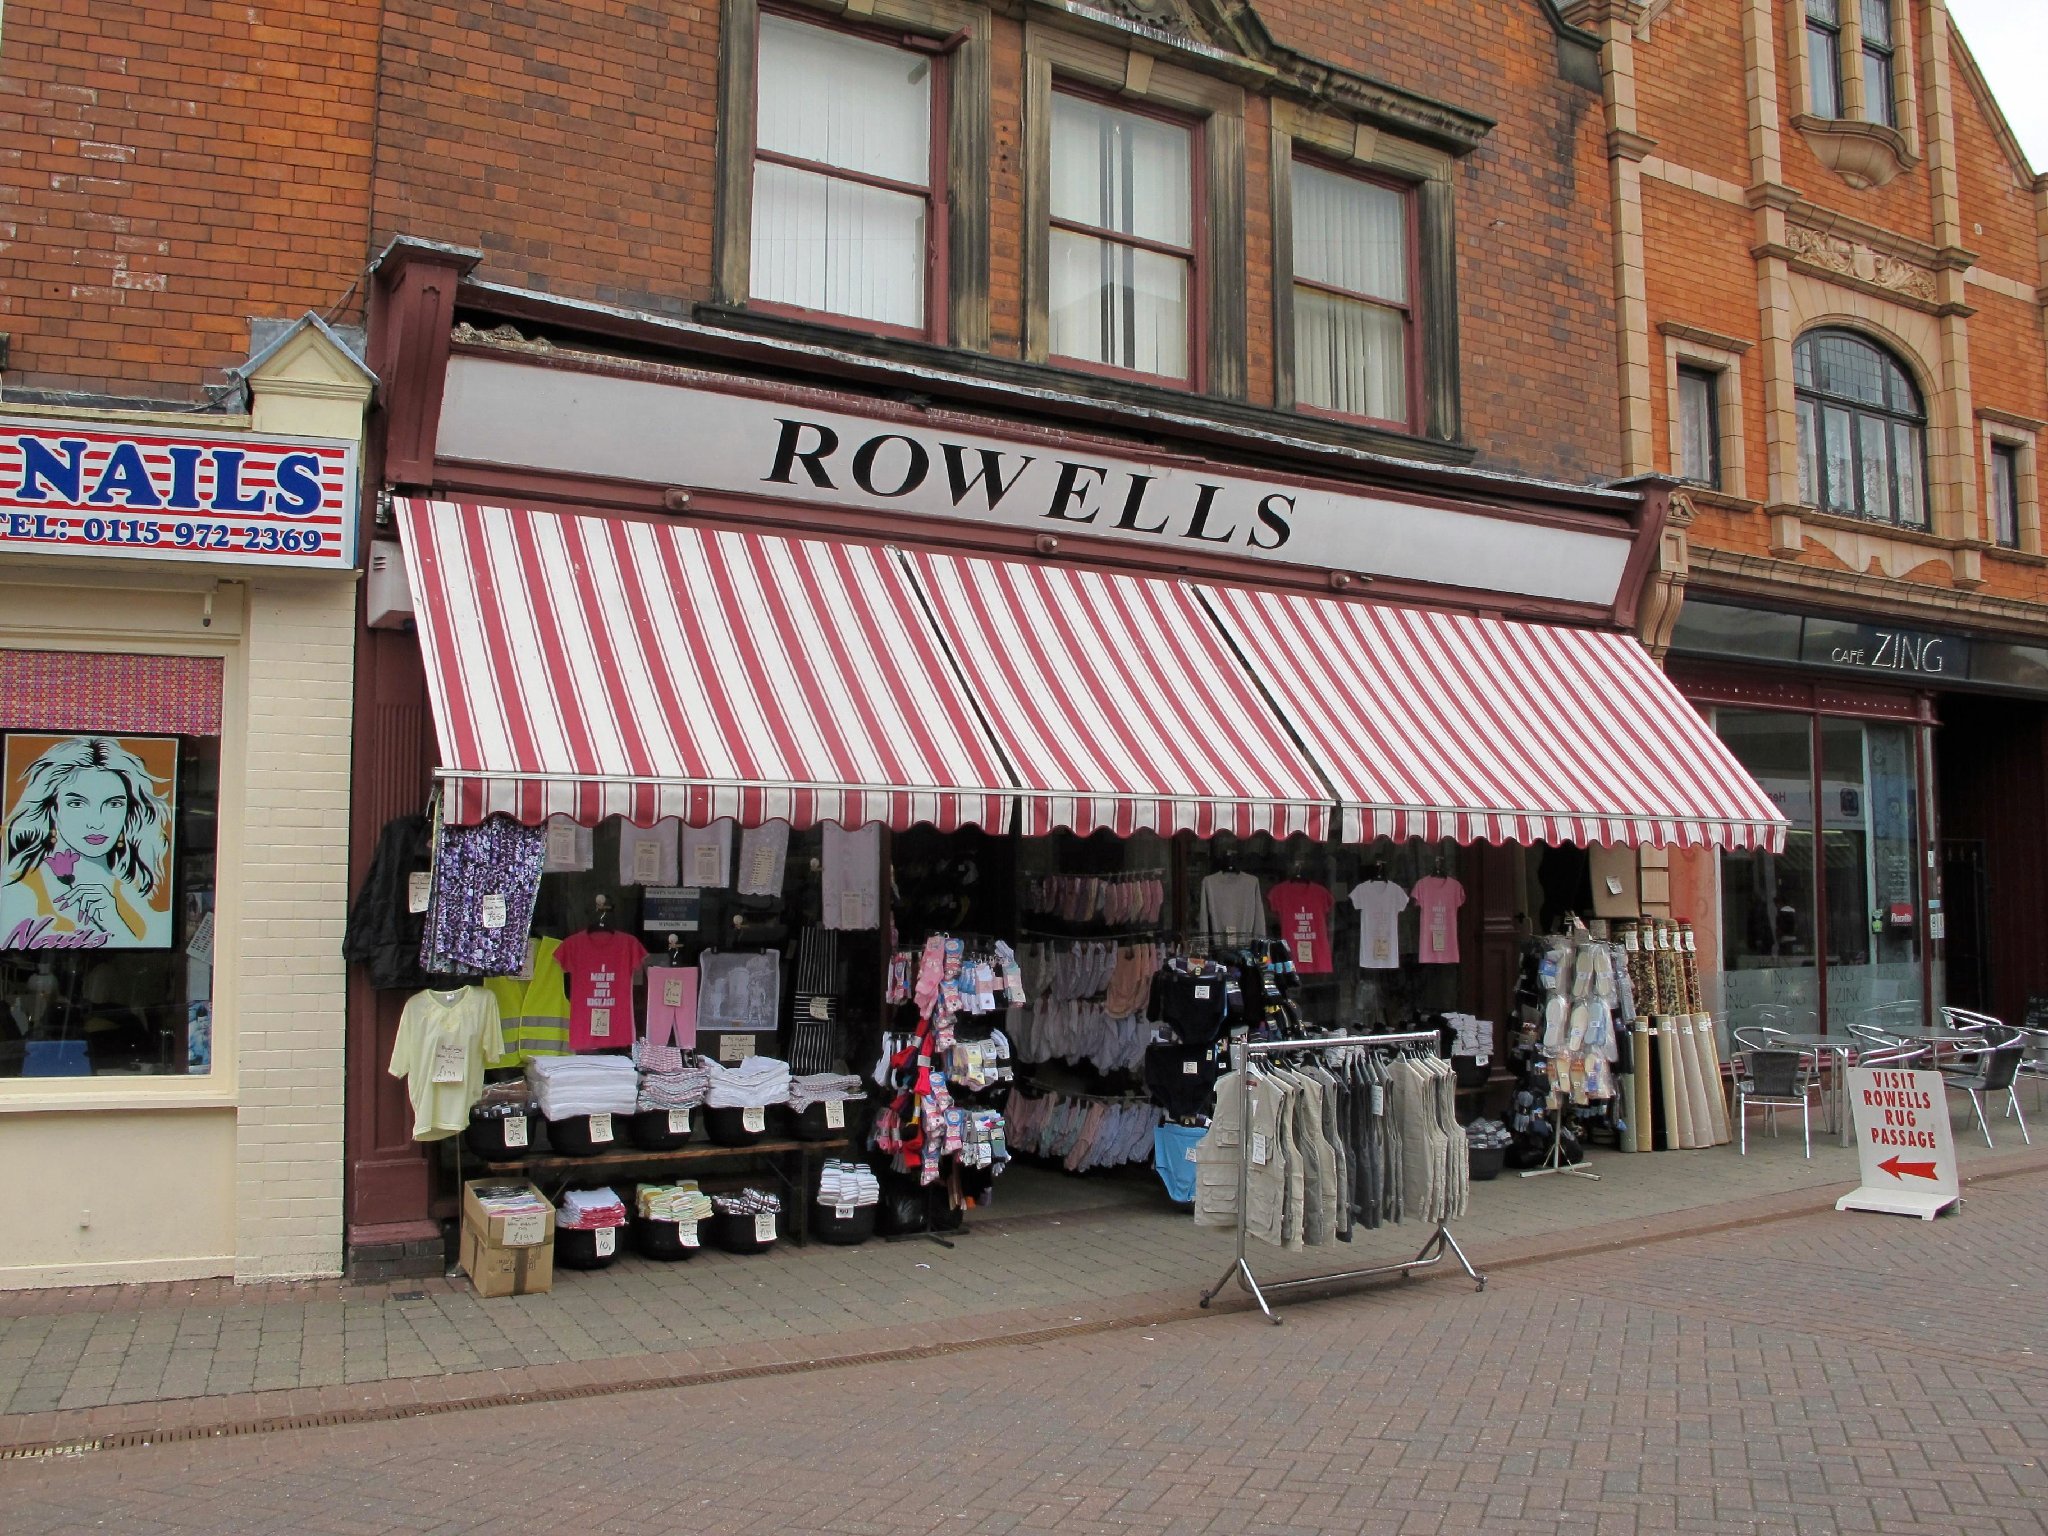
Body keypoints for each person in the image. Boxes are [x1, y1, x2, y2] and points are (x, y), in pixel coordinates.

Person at [1, 736, 173, 948]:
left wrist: (114, 923)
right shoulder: (19, 892)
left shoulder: (138, 890)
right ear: (52, 808)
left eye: (113, 803)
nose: (96, 823)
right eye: (77, 803)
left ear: (129, 811)